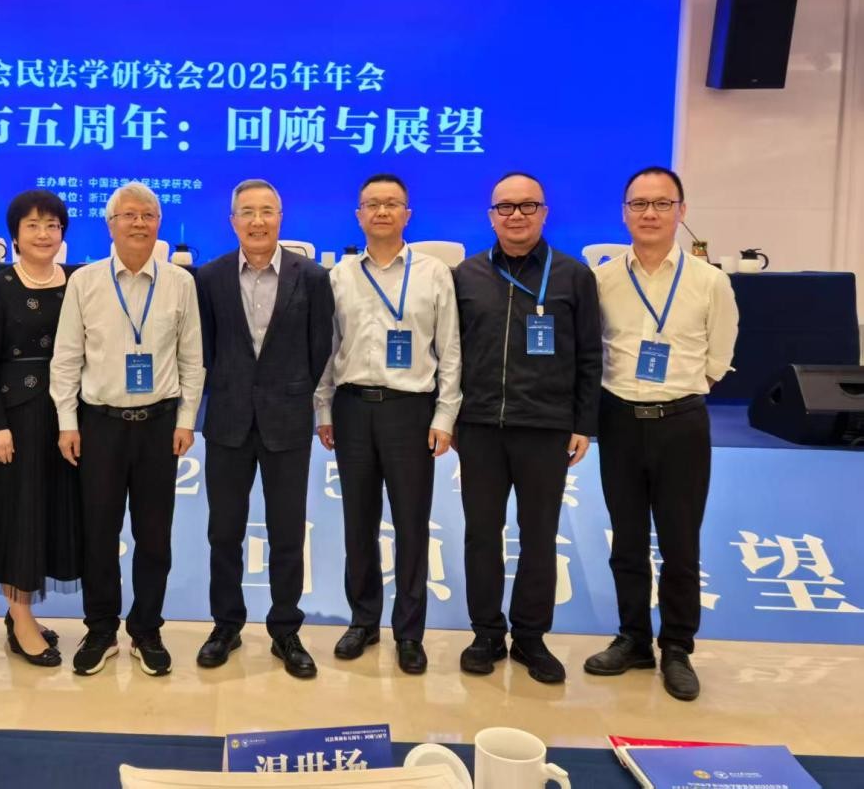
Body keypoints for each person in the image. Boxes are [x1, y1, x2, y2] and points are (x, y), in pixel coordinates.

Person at [584, 166, 738, 701]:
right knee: (626, 540)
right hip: (619, 420)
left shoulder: (710, 281)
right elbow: (593, 349)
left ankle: (676, 647)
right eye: (639, 204)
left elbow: (720, 354)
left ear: (681, 211)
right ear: (624, 212)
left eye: (662, 203)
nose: (650, 213)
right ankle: (632, 638)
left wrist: (683, 388)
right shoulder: (603, 279)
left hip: (681, 424)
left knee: (679, 542)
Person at [451, 172, 601, 684]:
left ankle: (531, 637)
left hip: (546, 426)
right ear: (490, 216)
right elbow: (450, 353)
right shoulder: (466, 275)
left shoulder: (573, 276)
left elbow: (590, 354)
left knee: (539, 536)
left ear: (544, 213)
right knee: (481, 534)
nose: (516, 215)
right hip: (480, 426)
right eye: (506, 207)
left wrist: (583, 422)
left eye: (527, 206)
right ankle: (486, 633)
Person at [50, 181, 204, 677]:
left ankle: (146, 630)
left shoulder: (180, 283)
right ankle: (100, 630)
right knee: (99, 532)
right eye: (129, 215)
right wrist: (67, 422)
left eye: (148, 215)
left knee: (154, 536)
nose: (139, 223)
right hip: (100, 426)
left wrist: (186, 420)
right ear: (110, 224)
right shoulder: (85, 281)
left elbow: (192, 359)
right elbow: (66, 358)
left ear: (159, 225)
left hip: (159, 426)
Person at [315, 173, 462, 675]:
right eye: (372, 204)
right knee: (358, 521)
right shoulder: (339, 276)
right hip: (353, 407)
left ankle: (409, 632)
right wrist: (323, 408)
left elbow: (451, 350)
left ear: (407, 215)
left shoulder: (434, 274)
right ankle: (363, 621)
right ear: (358, 215)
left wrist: (445, 415)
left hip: (411, 410)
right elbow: (328, 349)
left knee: (411, 523)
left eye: (392, 204)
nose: (381, 211)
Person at [194, 179, 334, 679]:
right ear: (232, 221)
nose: (257, 221)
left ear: (281, 217)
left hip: (287, 421)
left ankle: (285, 630)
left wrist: (295, 396)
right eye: (247, 212)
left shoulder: (312, 277)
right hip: (228, 422)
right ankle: (226, 625)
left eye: (267, 211)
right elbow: (204, 349)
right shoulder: (208, 277)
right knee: (224, 532)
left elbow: (320, 350)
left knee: (287, 533)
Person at [0, 190, 81, 667]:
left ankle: (23, 612)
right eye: (33, 225)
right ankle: (20, 616)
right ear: (14, 235)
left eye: (52, 225)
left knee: (51, 514)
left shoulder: (78, 282)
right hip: (15, 419)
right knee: (18, 516)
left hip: (67, 417)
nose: (44, 234)